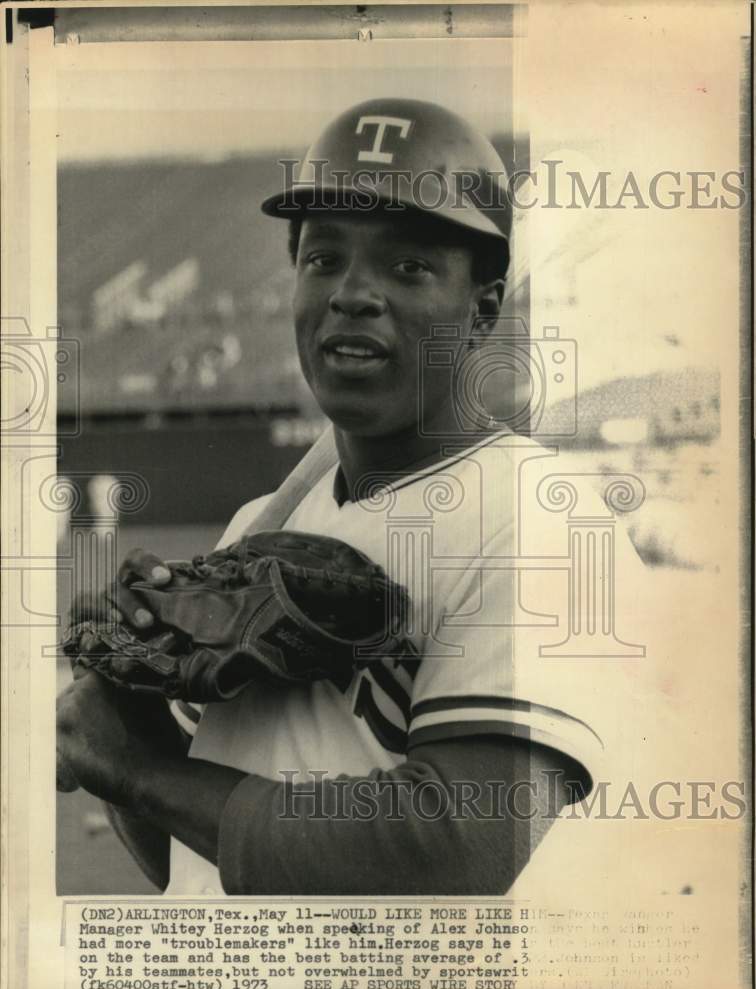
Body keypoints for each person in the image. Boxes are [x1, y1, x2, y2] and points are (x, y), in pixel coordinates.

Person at [57, 98, 642, 896]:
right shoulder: (255, 530)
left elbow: (456, 847)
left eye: (408, 266)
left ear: (484, 309)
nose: (351, 294)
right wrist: (129, 719)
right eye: (323, 259)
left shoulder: (547, 519)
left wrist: (136, 769)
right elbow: (198, 862)